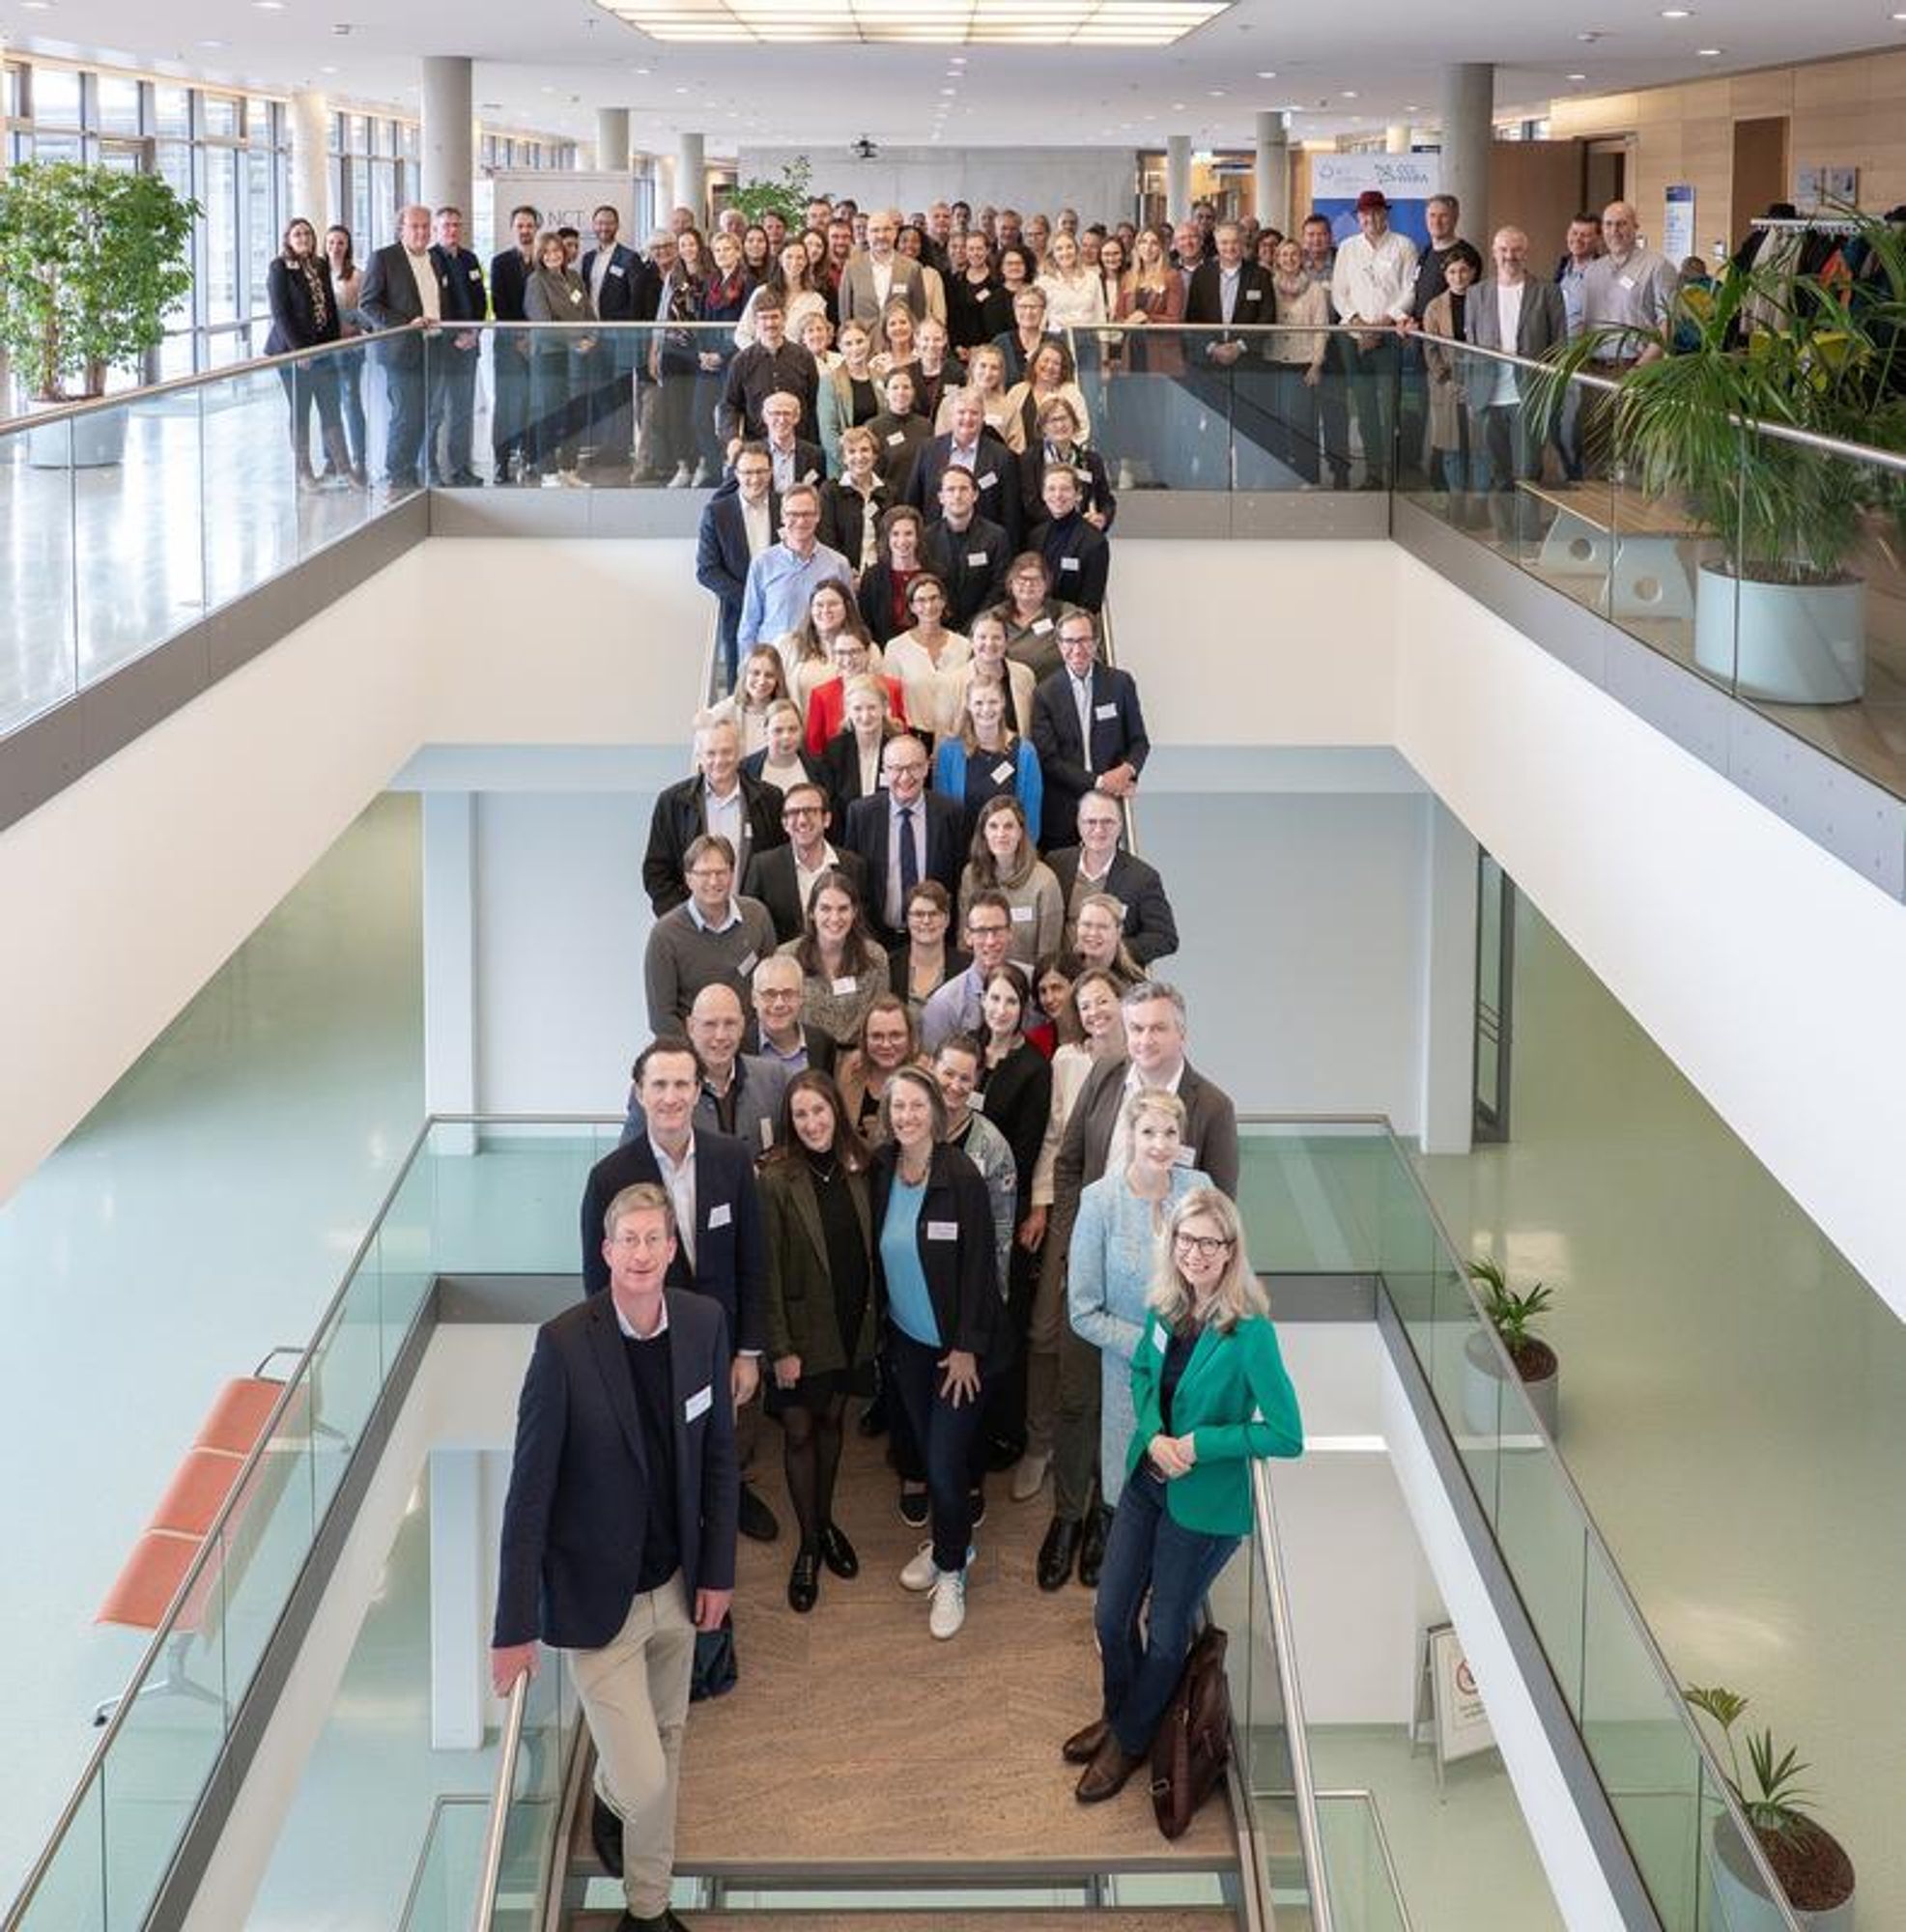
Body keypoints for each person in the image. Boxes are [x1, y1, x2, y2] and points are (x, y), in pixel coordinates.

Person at [492, 1180, 737, 1932]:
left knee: (667, 1741)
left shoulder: (702, 1323)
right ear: (605, 1253)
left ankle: (647, 1909)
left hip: (676, 1583)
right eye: (625, 1240)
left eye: (652, 1240)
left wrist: (719, 1573)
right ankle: (610, 1789)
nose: (638, 1253)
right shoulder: (563, 1344)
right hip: (595, 1602)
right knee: (647, 1780)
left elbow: (720, 1458)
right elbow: (527, 1494)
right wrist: (511, 1629)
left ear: (671, 1249)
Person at [1064, 1187, 1302, 1803]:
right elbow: (1144, 1374)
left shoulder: (1251, 1333)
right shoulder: (1165, 1306)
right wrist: (1152, 1435)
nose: (1195, 1253)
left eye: (1209, 1243)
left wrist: (1199, 1445)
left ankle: (1129, 1740)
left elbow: (1286, 1434)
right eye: (1186, 1239)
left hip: (1203, 1505)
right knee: (1110, 1615)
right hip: (1147, 1480)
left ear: (1230, 1251)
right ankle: (1125, 1721)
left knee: (1166, 1634)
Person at [1037, 980, 1240, 1593]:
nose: (1145, 1041)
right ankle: (1068, 1516)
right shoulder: (1104, 1075)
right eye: (1136, 1029)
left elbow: (1220, 1210)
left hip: (1166, 1301)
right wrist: (1079, 1239)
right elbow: (1070, 1163)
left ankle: (1111, 1520)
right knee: (1077, 1400)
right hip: (1096, 1267)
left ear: (1182, 1032)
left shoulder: (1211, 1107)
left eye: (1157, 1028)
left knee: (1141, 1411)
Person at [580, 1041, 778, 1548]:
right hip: (652, 1349)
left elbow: (753, 1260)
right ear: (639, 1093)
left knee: (722, 1445)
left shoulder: (732, 1159)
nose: (671, 1096)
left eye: (682, 1084)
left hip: (723, 1342)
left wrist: (749, 1352)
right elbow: (597, 1284)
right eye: (659, 1085)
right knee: (669, 1455)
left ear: (698, 1090)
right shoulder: (608, 1178)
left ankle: (728, 1507)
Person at [869, 1065, 999, 1638]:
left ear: (936, 1111)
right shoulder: (881, 1171)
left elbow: (980, 1269)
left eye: (917, 1106)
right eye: (898, 1107)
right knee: (927, 1457)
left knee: (947, 1466)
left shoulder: (961, 1176)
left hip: (955, 1352)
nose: (907, 1116)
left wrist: (968, 1347)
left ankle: (952, 1570)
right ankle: (950, 1543)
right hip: (906, 1344)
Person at [761, 1073, 877, 1613]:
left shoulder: (861, 1166)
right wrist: (780, 1348)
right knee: (801, 1429)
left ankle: (825, 1521)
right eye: (801, 1114)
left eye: (820, 1111)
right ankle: (808, 1546)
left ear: (836, 1110)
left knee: (833, 1423)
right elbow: (766, 1274)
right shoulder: (777, 1178)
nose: (812, 1123)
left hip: (851, 1325)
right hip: (801, 1337)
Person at [1067, 1088, 1212, 1517]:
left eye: (1170, 1132)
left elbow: (1221, 1271)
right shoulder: (1099, 1201)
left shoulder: (1199, 1188)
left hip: (1194, 1370)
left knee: (1188, 1488)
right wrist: (1152, 1347)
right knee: (1132, 1494)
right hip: (1131, 1374)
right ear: (1130, 1134)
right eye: (1149, 1131)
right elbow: (1083, 1311)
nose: (1160, 1144)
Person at [1014, 967, 1125, 1500]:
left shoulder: (1141, 1066)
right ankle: (1040, 1442)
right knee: (1045, 1328)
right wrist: (1042, 1207)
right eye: (1085, 1007)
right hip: (1071, 1208)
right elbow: (1056, 1139)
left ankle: (1100, 1460)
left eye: (1103, 1003)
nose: (1095, 1014)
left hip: (1128, 1224)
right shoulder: (1067, 1061)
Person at [974, 968, 1057, 1466]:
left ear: (1022, 1007)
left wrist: (1029, 1209)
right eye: (994, 998)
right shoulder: (970, 1050)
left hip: (1006, 1210)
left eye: (1010, 1001)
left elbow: (1026, 1150)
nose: (1000, 1009)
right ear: (982, 1000)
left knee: (1006, 1319)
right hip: (961, 1206)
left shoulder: (1034, 1067)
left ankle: (1005, 1429)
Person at [1463, 225, 1569, 533]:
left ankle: (1528, 540)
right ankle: (1506, 538)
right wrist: (1471, 394)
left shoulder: (1547, 291)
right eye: (1503, 250)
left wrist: (1552, 394)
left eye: (1516, 250)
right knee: (1498, 473)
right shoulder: (1477, 293)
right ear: (1494, 253)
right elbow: (1469, 346)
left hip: (1528, 395)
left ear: (1526, 252)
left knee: (1526, 473)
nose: (1510, 256)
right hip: (1489, 395)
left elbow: (1560, 345)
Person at [621, 983, 790, 1157]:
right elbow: (628, 1164)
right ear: (691, 1027)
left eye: (730, 1023)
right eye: (710, 1024)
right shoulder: (657, 1091)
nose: (720, 1035)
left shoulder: (773, 1079)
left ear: (742, 1026)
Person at [643, 715, 784, 916]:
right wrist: (683, 919)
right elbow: (656, 872)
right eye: (711, 753)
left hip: (753, 925)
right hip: (692, 929)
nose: (719, 761)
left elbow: (780, 867)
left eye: (727, 751)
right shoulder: (672, 803)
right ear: (699, 756)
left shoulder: (770, 799)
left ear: (739, 752)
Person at [1030, 610, 1148, 848]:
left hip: (1110, 803)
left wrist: (1127, 770)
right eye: (1069, 641)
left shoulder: (1120, 683)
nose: (1077, 649)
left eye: (1084, 640)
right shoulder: (1045, 693)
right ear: (1059, 645)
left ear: (1096, 642)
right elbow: (1048, 759)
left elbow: (1139, 741)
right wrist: (1098, 782)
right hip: (1064, 809)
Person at [643, 834, 780, 1032]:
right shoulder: (664, 935)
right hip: (693, 1054)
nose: (714, 881)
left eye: (720, 872)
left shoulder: (757, 916)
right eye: (704, 874)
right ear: (689, 878)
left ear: (732, 874)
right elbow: (662, 1019)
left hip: (752, 1050)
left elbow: (773, 986)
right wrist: (696, 1058)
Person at [357, 203, 449, 490]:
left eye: (426, 226)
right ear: (401, 229)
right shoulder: (384, 258)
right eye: (415, 226)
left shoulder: (435, 259)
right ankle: (399, 477)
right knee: (406, 417)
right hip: (402, 352)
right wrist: (408, 323)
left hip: (435, 349)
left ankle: (420, 472)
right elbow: (368, 305)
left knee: (430, 416)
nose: (421, 232)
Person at [841, 731, 964, 945]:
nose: (905, 777)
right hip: (878, 939)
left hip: (936, 938)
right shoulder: (861, 814)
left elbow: (958, 879)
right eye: (896, 769)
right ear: (884, 771)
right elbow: (853, 882)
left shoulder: (950, 813)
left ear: (927, 768)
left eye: (914, 767)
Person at [1332, 190, 1418, 487]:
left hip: (1389, 337)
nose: (1370, 219)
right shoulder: (1347, 247)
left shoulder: (1404, 245)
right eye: (1365, 214)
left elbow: (1410, 291)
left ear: (1386, 214)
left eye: (1376, 213)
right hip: (1354, 338)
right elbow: (1339, 292)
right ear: (1359, 217)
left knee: (1389, 406)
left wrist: (1382, 324)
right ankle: (1372, 473)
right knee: (1364, 406)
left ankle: (1392, 471)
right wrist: (1358, 323)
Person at [265, 217, 354, 492]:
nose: (303, 237)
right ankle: (304, 473)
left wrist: (334, 344)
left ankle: (345, 470)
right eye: (297, 234)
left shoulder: (320, 265)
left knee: (331, 408)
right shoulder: (279, 267)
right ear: (288, 239)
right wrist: (299, 351)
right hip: (293, 353)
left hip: (323, 351)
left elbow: (327, 307)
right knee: (301, 411)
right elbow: (280, 313)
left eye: (307, 233)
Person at [1046, 791, 1179, 965]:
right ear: (1079, 824)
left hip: (1113, 981)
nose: (1099, 829)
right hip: (1062, 979)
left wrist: (1112, 950)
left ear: (1120, 826)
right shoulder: (1056, 863)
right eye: (1091, 822)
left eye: (1107, 822)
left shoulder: (1143, 877)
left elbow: (1165, 938)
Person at [778, 868, 892, 1047]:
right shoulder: (786, 957)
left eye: (843, 909)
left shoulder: (875, 957)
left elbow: (880, 1021)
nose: (835, 917)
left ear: (854, 912)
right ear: (811, 913)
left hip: (861, 1059)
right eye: (825, 909)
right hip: (806, 1058)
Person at [744, 780, 867, 944]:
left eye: (810, 811)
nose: (802, 820)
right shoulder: (763, 867)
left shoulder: (854, 867)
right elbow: (751, 927)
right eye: (793, 812)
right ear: (784, 823)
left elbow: (862, 927)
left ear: (826, 819)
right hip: (783, 964)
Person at [697, 444, 778, 688]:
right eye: (747, 472)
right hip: (739, 615)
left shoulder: (785, 505)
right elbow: (706, 570)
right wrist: (750, 598)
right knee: (742, 688)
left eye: (761, 471)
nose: (755, 479)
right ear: (736, 473)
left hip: (783, 613)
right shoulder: (716, 512)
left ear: (771, 472)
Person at [521, 226, 597, 488]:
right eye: (547, 251)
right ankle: (548, 472)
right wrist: (577, 340)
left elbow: (589, 313)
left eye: (557, 250)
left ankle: (568, 468)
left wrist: (592, 338)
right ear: (540, 255)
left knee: (573, 414)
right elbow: (544, 323)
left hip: (578, 356)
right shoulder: (536, 282)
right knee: (549, 413)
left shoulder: (574, 278)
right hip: (549, 356)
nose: (553, 255)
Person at [737, 485, 851, 657]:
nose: (800, 521)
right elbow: (749, 626)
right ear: (782, 517)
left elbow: (850, 621)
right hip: (775, 666)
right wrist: (747, 669)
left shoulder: (838, 564)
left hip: (823, 664)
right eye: (793, 514)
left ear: (818, 516)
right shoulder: (762, 564)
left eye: (807, 514)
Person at [1420, 241, 1489, 518]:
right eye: (1452, 273)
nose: (1458, 277)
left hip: (1480, 380)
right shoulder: (1434, 307)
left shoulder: (1485, 301)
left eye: (1463, 271)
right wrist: (1446, 379)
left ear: (1472, 272)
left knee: (1480, 448)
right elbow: (1430, 348)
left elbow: (1492, 343)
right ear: (1445, 275)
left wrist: (1478, 381)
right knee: (1451, 447)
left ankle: (1480, 504)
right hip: (1447, 383)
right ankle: (1457, 501)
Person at [958, 795, 1062, 968]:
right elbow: (965, 941)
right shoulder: (970, 875)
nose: (1001, 834)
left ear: (1020, 832)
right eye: (993, 826)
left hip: (1026, 982)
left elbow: (1048, 956)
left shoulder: (1045, 881)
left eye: (1009, 826)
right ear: (983, 832)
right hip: (982, 980)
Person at [421, 205, 484, 488]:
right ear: (436, 229)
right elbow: (433, 307)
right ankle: (430, 469)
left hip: (469, 348)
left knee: (462, 412)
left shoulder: (470, 259)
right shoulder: (430, 260)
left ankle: (460, 468)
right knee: (434, 412)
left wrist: (474, 332)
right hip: (442, 350)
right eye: (446, 225)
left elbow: (481, 301)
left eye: (457, 225)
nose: (452, 230)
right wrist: (454, 336)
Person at [911, 388, 1024, 546]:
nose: (967, 418)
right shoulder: (928, 450)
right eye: (961, 412)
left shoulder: (1003, 458)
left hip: (985, 544)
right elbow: (913, 501)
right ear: (951, 416)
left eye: (974, 413)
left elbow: (1011, 514)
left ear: (983, 417)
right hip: (933, 543)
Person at [934, 680, 1040, 844]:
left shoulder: (1025, 752)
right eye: (979, 703)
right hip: (962, 852)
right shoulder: (949, 752)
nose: (986, 709)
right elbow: (942, 813)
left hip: (1009, 854)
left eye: (993, 702)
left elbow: (1031, 815)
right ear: (968, 705)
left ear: (1003, 703)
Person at [1264, 237, 1332, 487]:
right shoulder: (1268, 286)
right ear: (1277, 259)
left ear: (1301, 258)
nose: (1289, 259)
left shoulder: (1314, 289)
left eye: (1294, 254)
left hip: (1303, 364)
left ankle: (1307, 475)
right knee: (1276, 420)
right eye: (1284, 255)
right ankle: (1281, 472)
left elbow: (1321, 329)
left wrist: (1316, 363)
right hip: (1273, 360)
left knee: (1303, 423)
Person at [920, 887, 1020, 1051]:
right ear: (968, 937)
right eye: (981, 931)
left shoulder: (1032, 985)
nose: (990, 941)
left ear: (1010, 933)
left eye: (997, 930)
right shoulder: (943, 1005)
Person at [719, 296, 820, 455]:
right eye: (764, 318)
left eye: (774, 317)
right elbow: (729, 405)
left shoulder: (804, 357)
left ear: (784, 319)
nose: (770, 323)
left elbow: (814, 404)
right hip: (757, 447)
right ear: (755, 322)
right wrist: (732, 438)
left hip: (799, 447)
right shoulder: (741, 361)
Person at [487, 203, 541, 486]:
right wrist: (521, 339)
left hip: (540, 346)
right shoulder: (500, 262)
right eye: (520, 226)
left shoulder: (545, 260)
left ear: (537, 228)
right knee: (507, 405)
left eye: (529, 226)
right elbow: (500, 305)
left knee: (534, 402)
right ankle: (501, 460)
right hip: (509, 347)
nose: (525, 231)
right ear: (512, 229)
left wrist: (535, 339)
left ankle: (531, 456)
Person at [920, 464, 1010, 630]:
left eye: (963, 489)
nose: (957, 495)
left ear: (975, 494)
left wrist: (975, 624)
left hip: (983, 628)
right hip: (937, 625)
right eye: (951, 489)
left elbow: (999, 586)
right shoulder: (926, 538)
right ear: (941, 497)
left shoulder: (996, 536)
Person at [882, 572, 971, 739]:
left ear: (943, 601)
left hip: (955, 737)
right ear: (911, 607)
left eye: (934, 598)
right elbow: (890, 700)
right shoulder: (895, 648)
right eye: (921, 600)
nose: (929, 606)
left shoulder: (963, 645)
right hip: (912, 737)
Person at [802, 624, 908, 755]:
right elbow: (815, 749)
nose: (848, 659)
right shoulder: (821, 695)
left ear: (868, 652)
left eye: (854, 652)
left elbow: (903, 737)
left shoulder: (893, 688)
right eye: (840, 652)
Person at [1017, 395, 1115, 533]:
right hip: (1043, 537)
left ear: (1074, 422)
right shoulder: (1029, 459)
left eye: (1064, 418)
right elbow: (1030, 505)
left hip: (1083, 537)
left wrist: (1102, 518)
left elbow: (1106, 500)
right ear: (1043, 427)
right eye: (1053, 420)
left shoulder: (1091, 461)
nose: (1060, 425)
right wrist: (1071, 523)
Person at [840, 208, 930, 347]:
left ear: (895, 233)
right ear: (867, 235)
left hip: (900, 348)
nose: (881, 235)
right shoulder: (852, 268)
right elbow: (845, 316)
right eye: (875, 230)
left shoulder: (912, 268)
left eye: (887, 229)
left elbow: (918, 314)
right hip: (862, 349)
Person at [1027, 465, 1110, 614]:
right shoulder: (1035, 536)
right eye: (1051, 489)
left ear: (1078, 495)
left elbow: (1091, 602)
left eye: (1065, 489)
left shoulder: (1095, 541)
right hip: (1037, 621)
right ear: (1044, 495)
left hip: (1073, 627)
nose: (1058, 495)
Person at [324, 222, 371, 483]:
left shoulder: (358, 276)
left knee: (351, 402)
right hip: (325, 350)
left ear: (348, 246)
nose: (335, 247)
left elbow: (364, 312)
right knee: (327, 406)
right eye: (331, 242)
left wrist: (351, 325)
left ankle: (359, 459)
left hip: (350, 349)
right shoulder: (317, 274)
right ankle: (332, 459)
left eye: (340, 242)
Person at [834, 991, 918, 1136]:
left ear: (910, 1038)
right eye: (877, 1036)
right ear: (864, 1040)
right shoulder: (851, 1069)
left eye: (896, 1035)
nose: (886, 1045)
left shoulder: (922, 1079)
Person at [948, 606, 1038, 739]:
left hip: (1018, 756)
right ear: (971, 642)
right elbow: (947, 733)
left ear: (1007, 642)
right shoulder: (953, 681)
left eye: (996, 637)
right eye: (982, 637)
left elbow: (1032, 725)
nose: (989, 643)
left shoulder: (1025, 675)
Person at [816, 673, 900, 811]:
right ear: (847, 710)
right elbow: (830, 806)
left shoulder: (898, 749)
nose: (865, 716)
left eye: (872, 707)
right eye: (857, 709)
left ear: (885, 707)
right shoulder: (834, 752)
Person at [889, 879, 967, 1026]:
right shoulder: (890, 966)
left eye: (934, 914)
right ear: (908, 919)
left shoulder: (966, 967)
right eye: (918, 914)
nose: (926, 921)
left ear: (947, 920)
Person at [817, 422, 892, 575]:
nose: (859, 457)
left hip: (881, 576)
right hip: (842, 575)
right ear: (844, 459)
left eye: (865, 450)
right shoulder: (830, 492)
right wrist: (845, 570)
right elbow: (826, 537)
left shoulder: (889, 491)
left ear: (875, 455)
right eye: (851, 451)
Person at [814, 321, 883, 477]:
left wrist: (874, 463)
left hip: (878, 467)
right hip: (844, 469)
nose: (855, 348)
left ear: (868, 341)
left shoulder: (881, 378)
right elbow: (828, 433)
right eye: (848, 343)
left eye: (859, 341)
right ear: (839, 347)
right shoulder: (829, 382)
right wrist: (854, 464)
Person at [855, 504, 928, 647]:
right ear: (886, 538)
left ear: (918, 536)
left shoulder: (935, 573)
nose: (902, 541)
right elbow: (865, 625)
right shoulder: (872, 578)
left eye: (908, 533)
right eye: (895, 534)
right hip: (885, 655)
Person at [1000, 551, 1069, 681]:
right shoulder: (996, 615)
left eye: (1035, 579)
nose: (1028, 585)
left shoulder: (1063, 612)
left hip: (1053, 690)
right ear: (1011, 583)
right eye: (1022, 579)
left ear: (1046, 583)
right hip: (1008, 690)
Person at [711, 644, 791, 754]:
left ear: (778, 679)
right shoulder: (723, 711)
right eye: (756, 673)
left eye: (769, 675)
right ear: (745, 675)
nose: (762, 681)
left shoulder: (786, 713)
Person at [866, 364, 932, 497]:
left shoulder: (926, 426)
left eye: (906, 387)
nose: (901, 392)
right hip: (886, 501)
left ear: (913, 392)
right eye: (895, 387)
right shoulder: (873, 427)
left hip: (920, 500)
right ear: (886, 393)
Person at [1038, 229, 1108, 327]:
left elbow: (1100, 316)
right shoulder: (1043, 282)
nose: (1065, 252)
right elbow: (1040, 320)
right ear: (1053, 254)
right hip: (1056, 338)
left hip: (1087, 338)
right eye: (1059, 249)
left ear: (1076, 250)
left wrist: (1103, 341)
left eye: (1069, 247)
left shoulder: (1093, 278)